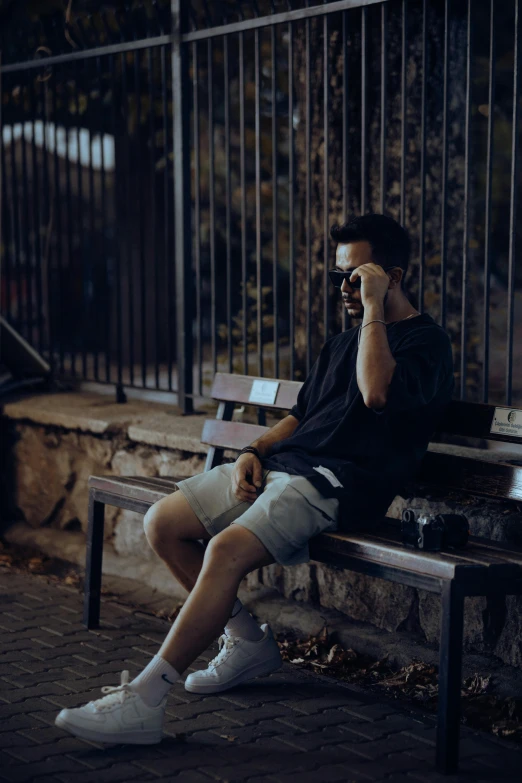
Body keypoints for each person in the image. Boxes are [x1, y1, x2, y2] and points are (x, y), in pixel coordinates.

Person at [55, 213, 455, 745]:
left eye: (356, 276)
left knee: (222, 551)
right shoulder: (341, 343)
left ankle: (146, 701)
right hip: (284, 465)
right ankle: (245, 640)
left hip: (336, 485)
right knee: (162, 523)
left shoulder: (425, 343)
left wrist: (377, 308)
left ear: (392, 276)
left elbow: (376, 393)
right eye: (339, 275)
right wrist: (253, 449)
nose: (344, 287)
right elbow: (302, 416)